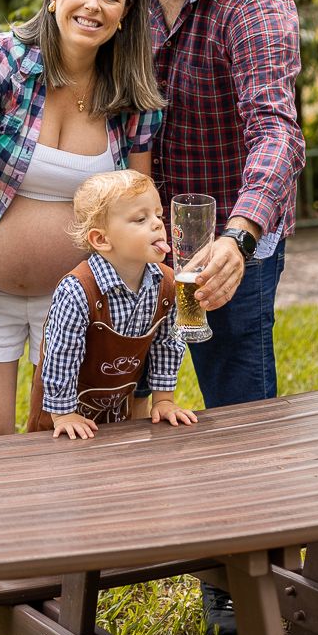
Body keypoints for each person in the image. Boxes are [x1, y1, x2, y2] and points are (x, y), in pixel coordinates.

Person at [0, 0, 164, 635]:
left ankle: (49, 593)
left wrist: (161, 267)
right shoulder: (6, 57)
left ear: (126, 13)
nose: (93, 6)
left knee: (61, 446)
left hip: (79, 303)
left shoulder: (132, 89)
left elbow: (138, 196)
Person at [130, 0, 306, 635]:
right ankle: (119, 562)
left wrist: (240, 234)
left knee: (237, 413)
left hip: (233, 242)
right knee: (119, 407)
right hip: (136, 244)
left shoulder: (253, 1)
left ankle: (255, 602)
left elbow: (275, 128)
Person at [28, 169, 197, 439]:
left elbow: (167, 344)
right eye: (140, 219)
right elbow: (61, 355)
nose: (156, 224)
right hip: (60, 420)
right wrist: (63, 413)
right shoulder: (78, 291)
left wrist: (164, 400)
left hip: (117, 413)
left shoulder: (165, 284)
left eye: (159, 215)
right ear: (102, 240)